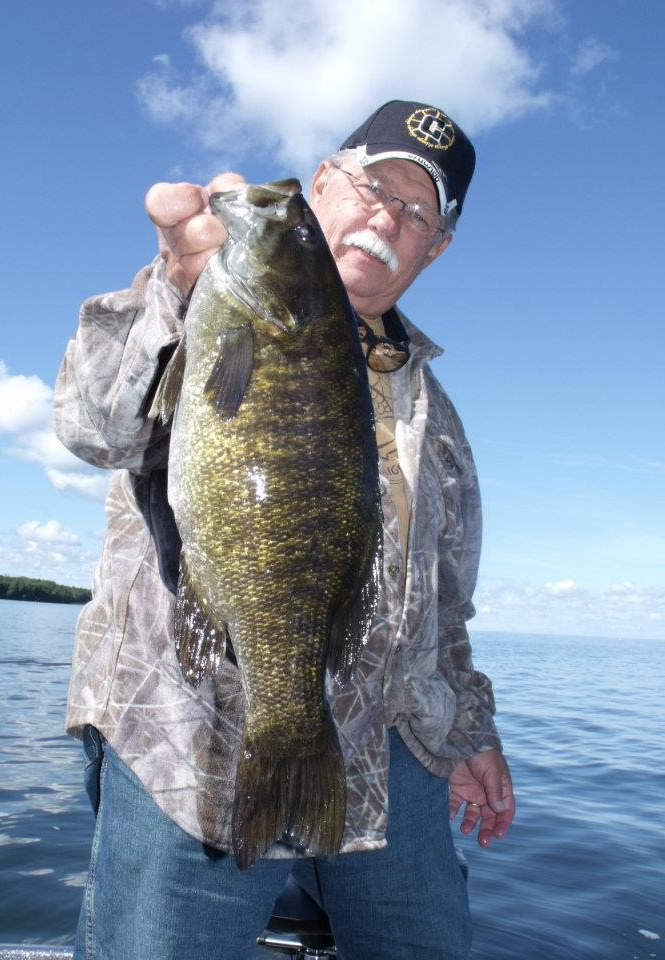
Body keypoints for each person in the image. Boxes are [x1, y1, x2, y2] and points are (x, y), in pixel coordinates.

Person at [54, 100, 516, 960]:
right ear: (322, 183)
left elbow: (445, 610)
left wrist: (471, 735)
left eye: (420, 213)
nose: (389, 216)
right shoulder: (205, 303)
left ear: (436, 250)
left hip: (392, 758)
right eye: (375, 184)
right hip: (193, 744)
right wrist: (173, 284)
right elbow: (96, 426)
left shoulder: (437, 418)